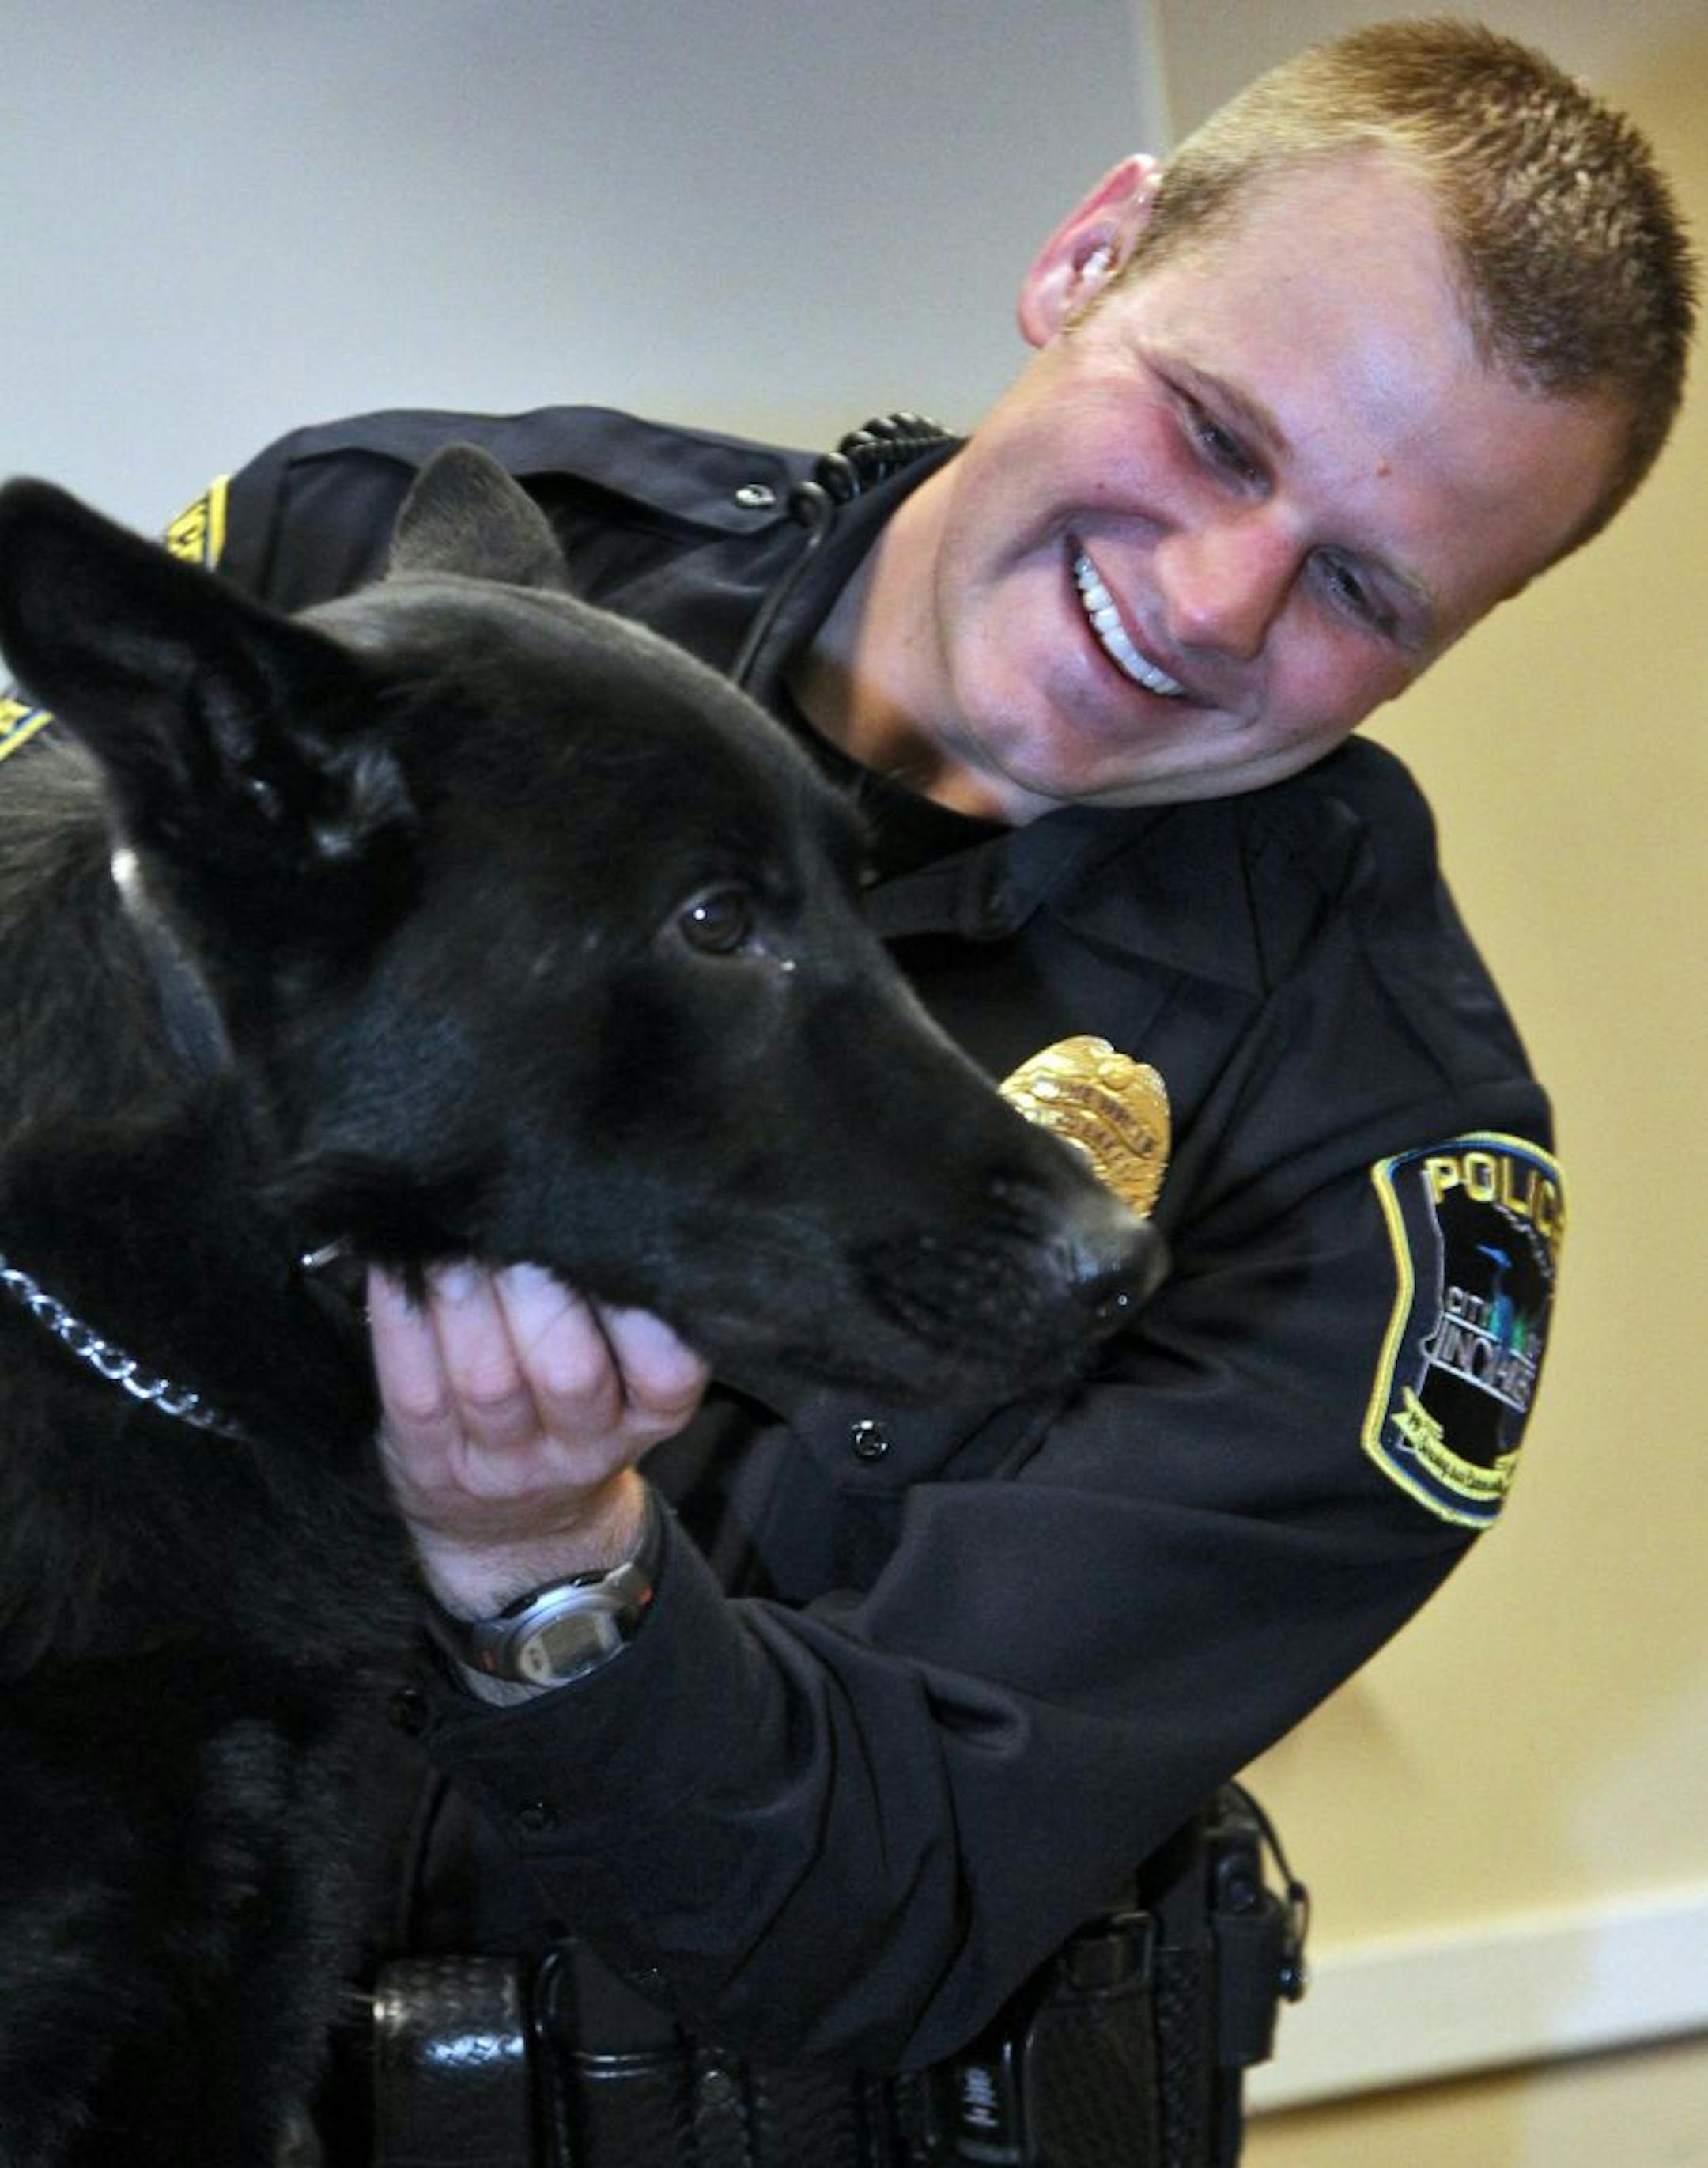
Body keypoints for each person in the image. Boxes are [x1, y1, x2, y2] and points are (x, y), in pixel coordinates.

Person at [184, 20, 1692, 2165]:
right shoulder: (360, 571)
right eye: (1214, 433)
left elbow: (886, 1906)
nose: (1210, 603)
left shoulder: (1370, 1142)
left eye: (1364, 590)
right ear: (1091, 257)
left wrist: (552, 1573)